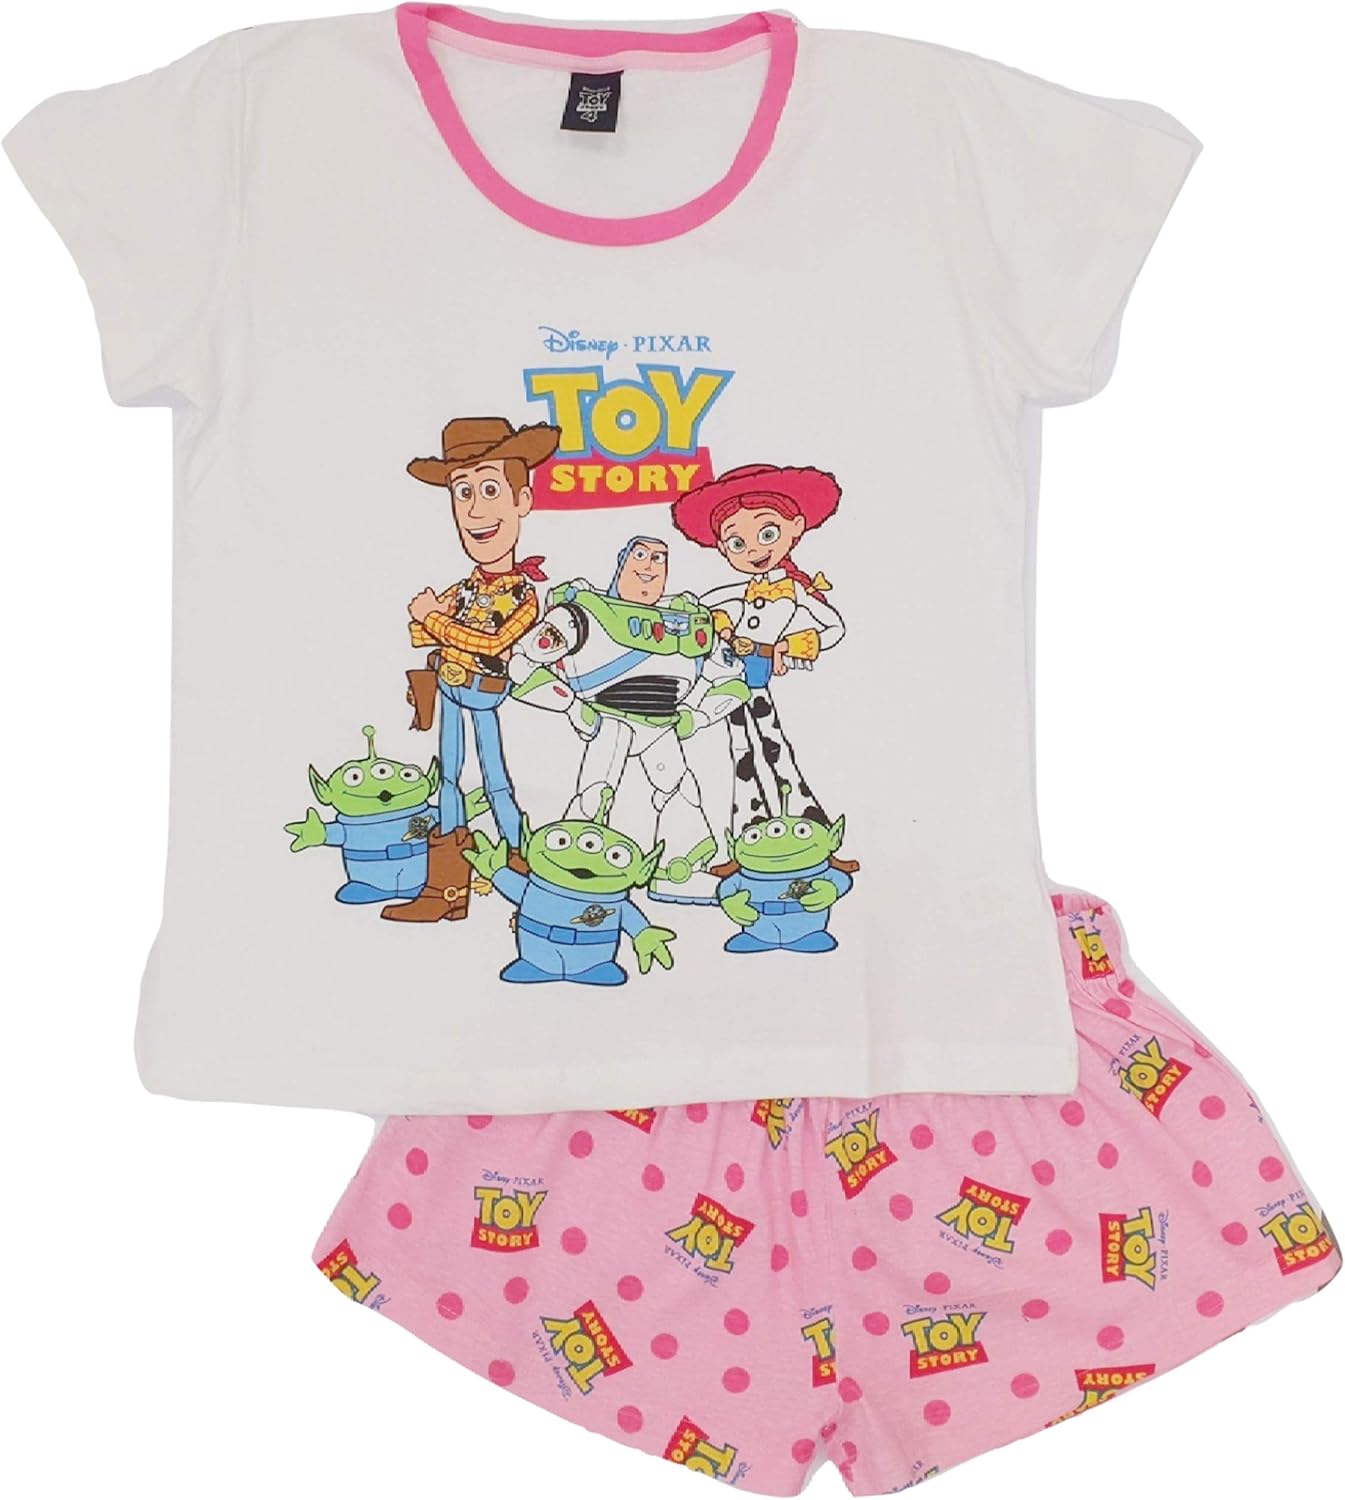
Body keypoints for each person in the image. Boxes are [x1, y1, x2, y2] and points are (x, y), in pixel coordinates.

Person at [381, 415, 560, 923]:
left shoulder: (524, 594)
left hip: (483, 691)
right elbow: (420, 632)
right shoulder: (463, 588)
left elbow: (494, 642)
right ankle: (445, 891)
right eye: (463, 493)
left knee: (496, 781)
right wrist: (430, 621)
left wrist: (434, 619)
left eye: (489, 489)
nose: (475, 509)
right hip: (449, 689)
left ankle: (526, 874)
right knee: (448, 780)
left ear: (522, 501)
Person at [671, 463, 844, 828]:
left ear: (795, 527)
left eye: (767, 533)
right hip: (727, 672)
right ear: (724, 548)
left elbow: (834, 627)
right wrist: (719, 624)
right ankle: (749, 824)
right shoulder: (737, 591)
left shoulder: (795, 590)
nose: (753, 550)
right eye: (737, 543)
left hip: (758, 669)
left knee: (772, 742)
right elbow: (701, 605)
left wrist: (788, 646)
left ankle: (807, 819)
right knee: (739, 747)